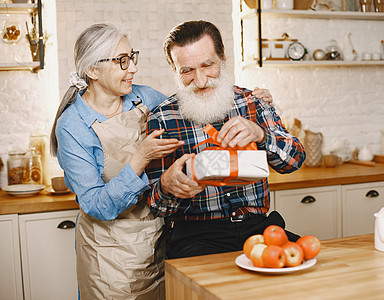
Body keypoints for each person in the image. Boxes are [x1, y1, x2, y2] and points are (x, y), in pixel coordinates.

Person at [49, 23, 274, 299]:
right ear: (92, 70)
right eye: (122, 61)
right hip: (110, 254)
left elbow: (196, 100)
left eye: (131, 57)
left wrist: (257, 102)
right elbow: (97, 205)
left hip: (158, 241)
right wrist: (141, 157)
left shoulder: (144, 97)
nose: (132, 68)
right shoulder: (72, 126)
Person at [146, 20, 306, 259]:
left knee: (305, 264)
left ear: (222, 57)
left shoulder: (253, 102)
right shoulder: (162, 118)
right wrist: (167, 186)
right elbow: (157, 206)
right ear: (174, 70)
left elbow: (294, 161)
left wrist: (261, 135)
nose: (200, 81)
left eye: (207, 65)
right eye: (187, 71)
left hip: (259, 228)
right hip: (196, 236)